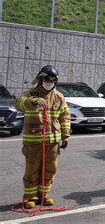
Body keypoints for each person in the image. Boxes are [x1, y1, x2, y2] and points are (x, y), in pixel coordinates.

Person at [15, 65, 70, 209]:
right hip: (34, 141)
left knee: (50, 169)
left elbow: (65, 117)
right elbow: (18, 104)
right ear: (40, 79)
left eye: (51, 81)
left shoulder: (59, 97)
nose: (49, 83)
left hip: (53, 142)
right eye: (46, 80)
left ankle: (43, 196)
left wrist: (66, 136)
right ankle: (29, 197)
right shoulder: (30, 93)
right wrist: (31, 102)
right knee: (32, 168)